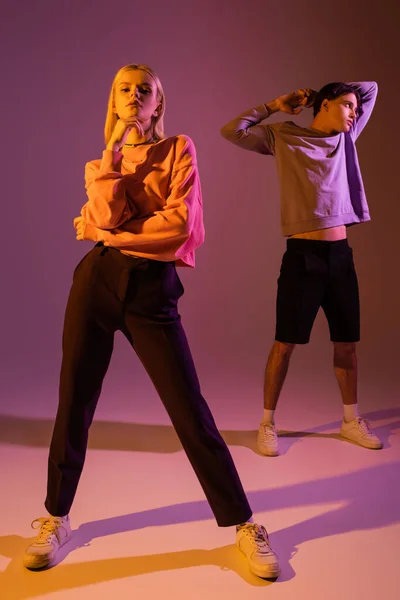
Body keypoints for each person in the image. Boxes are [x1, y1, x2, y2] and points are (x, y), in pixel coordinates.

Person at [23, 64, 280, 579]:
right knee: (73, 400)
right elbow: (101, 216)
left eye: (146, 90)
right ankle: (56, 517)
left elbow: (179, 225)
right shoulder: (103, 162)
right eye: (125, 88)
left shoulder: (178, 149)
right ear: (114, 100)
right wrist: (112, 160)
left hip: (150, 292)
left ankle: (245, 525)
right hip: (95, 284)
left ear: (157, 104)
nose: (135, 95)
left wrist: (112, 233)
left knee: (189, 410)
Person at [220, 81, 383, 456]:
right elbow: (232, 131)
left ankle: (349, 421)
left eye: (354, 108)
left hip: (341, 257)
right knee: (285, 344)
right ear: (324, 106)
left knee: (347, 344)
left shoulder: (347, 136)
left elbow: (370, 89)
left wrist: (344, 98)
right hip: (302, 258)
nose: (354, 112)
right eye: (345, 105)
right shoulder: (284, 137)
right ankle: (267, 424)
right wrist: (277, 103)